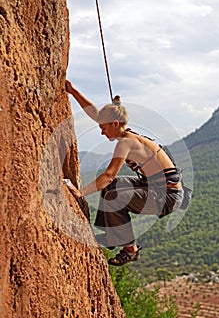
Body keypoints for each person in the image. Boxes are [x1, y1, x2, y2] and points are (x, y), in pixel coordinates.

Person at [64, 80, 184, 266]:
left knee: (115, 194)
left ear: (115, 123)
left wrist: (81, 193)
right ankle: (114, 236)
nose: (102, 132)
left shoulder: (126, 143)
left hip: (167, 196)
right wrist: (73, 91)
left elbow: (109, 174)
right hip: (158, 188)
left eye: (103, 128)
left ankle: (129, 249)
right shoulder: (124, 133)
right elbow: (96, 114)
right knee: (113, 187)